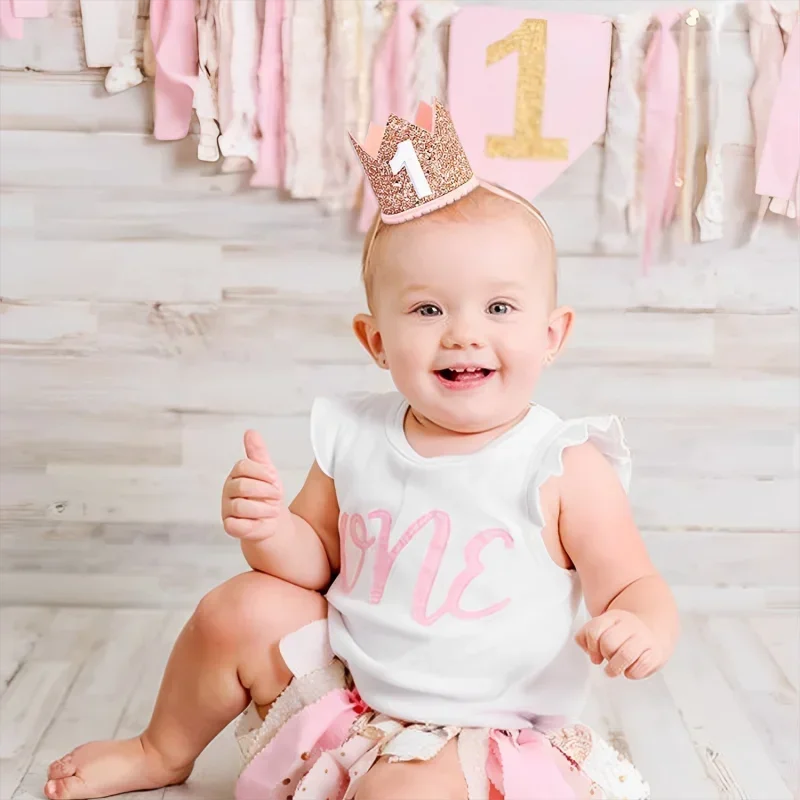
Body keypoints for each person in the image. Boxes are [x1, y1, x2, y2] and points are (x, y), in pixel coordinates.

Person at [45, 100, 678, 800]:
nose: (463, 334)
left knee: (398, 794)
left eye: (499, 308)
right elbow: (314, 563)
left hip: (479, 729)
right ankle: (158, 750)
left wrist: (639, 623)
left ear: (553, 334)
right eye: (427, 309)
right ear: (375, 341)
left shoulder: (563, 465)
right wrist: (272, 530)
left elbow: (632, 584)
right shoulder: (357, 435)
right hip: (352, 696)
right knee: (241, 606)